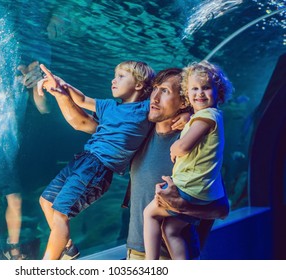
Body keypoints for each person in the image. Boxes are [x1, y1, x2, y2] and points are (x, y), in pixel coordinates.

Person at [40, 65, 229, 260]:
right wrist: (61, 93)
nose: (154, 97)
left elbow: (221, 209)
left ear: (183, 101)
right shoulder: (139, 133)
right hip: (134, 252)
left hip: (171, 256)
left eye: (165, 91)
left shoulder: (192, 141)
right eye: (155, 88)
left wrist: (183, 206)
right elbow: (84, 123)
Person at [38, 60, 159, 260]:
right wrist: (62, 85)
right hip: (83, 159)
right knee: (45, 200)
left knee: (60, 214)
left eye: (121, 76)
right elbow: (83, 100)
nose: (114, 80)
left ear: (138, 85)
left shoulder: (145, 109)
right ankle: (68, 249)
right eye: (114, 75)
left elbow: (166, 106)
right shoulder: (109, 106)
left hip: (98, 168)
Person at [143, 61, 233, 260]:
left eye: (206, 88)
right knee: (171, 229)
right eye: (194, 89)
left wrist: (175, 147)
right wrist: (189, 116)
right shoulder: (208, 116)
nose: (200, 93)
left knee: (150, 214)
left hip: (190, 188)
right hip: (199, 190)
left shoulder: (206, 117)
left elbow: (183, 146)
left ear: (219, 91)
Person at [0, 61, 51, 260]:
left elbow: (44, 109)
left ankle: (12, 249)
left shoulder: (25, 81)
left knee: (15, 199)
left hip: (8, 151)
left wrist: (38, 86)